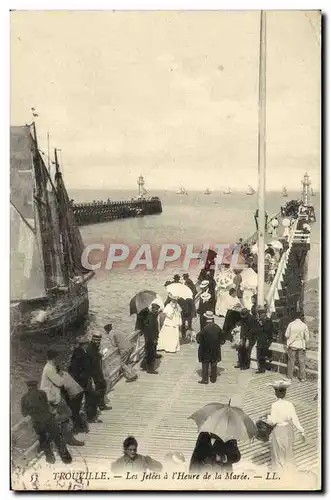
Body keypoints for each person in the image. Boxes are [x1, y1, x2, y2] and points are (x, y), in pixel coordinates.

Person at [21, 381, 72, 464]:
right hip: (49, 419)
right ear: (36, 386)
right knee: (57, 437)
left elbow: (24, 413)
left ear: (28, 387)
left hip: (37, 421)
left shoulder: (24, 397)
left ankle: (50, 458)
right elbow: (46, 405)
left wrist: (32, 413)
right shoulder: (42, 393)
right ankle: (66, 457)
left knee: (43, 438)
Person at [265, 380, 305, 470]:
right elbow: (295, 420)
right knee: (288, 451)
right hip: (288, 429)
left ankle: (280, 473)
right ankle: (290, 471)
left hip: (278, 430)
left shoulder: (274, 405)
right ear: (285, 393)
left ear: (275, 393)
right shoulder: (290, 405)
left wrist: (268, 417)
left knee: (278, 453)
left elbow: (273, 421)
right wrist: (302, 430)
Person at [69, 335, 102, 424]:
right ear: (83, 344)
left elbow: (72, 369)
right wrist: (84, 378)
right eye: (86, 343)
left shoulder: (79, 353)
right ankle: (90, 417)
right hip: (82, 381)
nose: (87, 345)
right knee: (93, 396)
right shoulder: (80, 354)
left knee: (88, 398)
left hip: (81, 381)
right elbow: (78, 368)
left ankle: (86, 417)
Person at [196, 311, 225, 384]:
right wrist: (220, 343)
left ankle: (205, 379)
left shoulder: (205, 328)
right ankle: (213, 378)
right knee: (214, 363)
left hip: (205, 349)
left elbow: (199, 339)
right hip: (215, 349)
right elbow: (222, 338)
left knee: (205, 363)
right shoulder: (217, 327)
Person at [88, 332, 112, 411]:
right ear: (94, 340)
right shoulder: (91, 348)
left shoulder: (92, 347)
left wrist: (99, 355)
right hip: (95, 371)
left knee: (101, 386)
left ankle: (100, 404)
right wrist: (99, 355)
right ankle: (100, 404)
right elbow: (93, 359)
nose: (99, 342)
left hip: (96, 370)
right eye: (98, 341)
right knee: (101, 386)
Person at [285, 312, 309, 382]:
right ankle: (303, 377)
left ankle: (290, 377)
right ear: (301, 317)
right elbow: (307, 338)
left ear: (294, 317)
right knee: (301, 362)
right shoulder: (304, 325)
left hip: (292, 344)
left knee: (291, 361)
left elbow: (286, 335)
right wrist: (305, 344)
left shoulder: (291, 324)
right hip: (301, 345)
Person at [141, 302, 161, 374]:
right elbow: (151, 330)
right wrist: (154, 339)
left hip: (149, 338)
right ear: (153, 309)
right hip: (150, 338)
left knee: (149, 352)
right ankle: (150, 369)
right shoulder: (151, 318)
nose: (157, 311)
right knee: (150, 354)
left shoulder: (151, 316)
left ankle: (144, 365)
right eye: (156, 310)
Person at [255, 308, 274, 374]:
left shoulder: (268, 321)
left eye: (260, 314)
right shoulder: (259, 321)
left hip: (266, 340)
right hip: (260, 340)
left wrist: (261, 325)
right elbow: (256, 330)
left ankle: (264, 368)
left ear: (264, 314)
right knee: (259, 355)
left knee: (263, 354)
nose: (260, 316)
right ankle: (261, 369)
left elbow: (268, 329)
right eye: (259, 314)